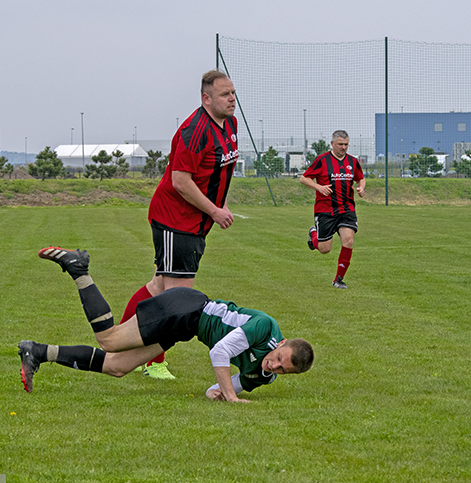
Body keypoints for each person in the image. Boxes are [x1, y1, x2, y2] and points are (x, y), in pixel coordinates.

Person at [19, 246, 313, 402]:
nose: (273, 365)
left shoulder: (263, 377)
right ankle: (78, 268)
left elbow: (220, 387)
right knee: (109, 340)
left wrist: (219, 394)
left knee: (117, 367)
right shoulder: (264, 327)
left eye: (281, 369)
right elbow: (219, 353)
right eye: (277, 358)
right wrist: (233, 400)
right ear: (281, 344)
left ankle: (37, 351)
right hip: (185, 307)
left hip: (184, 327)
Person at [120, 69, 240, 379]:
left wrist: (220, 202)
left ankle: (117, 341)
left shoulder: (230, 124)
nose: (232, 99)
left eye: (233, 93)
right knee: (177, 302)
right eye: (225, 94)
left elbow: (217, 170)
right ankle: (153, 362)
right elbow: (180, 181)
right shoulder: (194, 131)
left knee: (159, 287)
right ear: (206, 98)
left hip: (193, 223)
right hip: (176, 221)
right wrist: (214, 210)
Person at [300, 130, 365, 289]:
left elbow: (360, 178)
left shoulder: (353, 161)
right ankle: (313, 234)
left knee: (348, 241)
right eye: (340, 144)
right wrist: (319, 187)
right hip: (325, 210)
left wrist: (361, 188)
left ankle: (338, 279)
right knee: (324, 249)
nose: (344, 147)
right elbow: (304, 178)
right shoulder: (322, 160)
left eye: (346, 144)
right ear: (332, 144)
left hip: (347, 209)